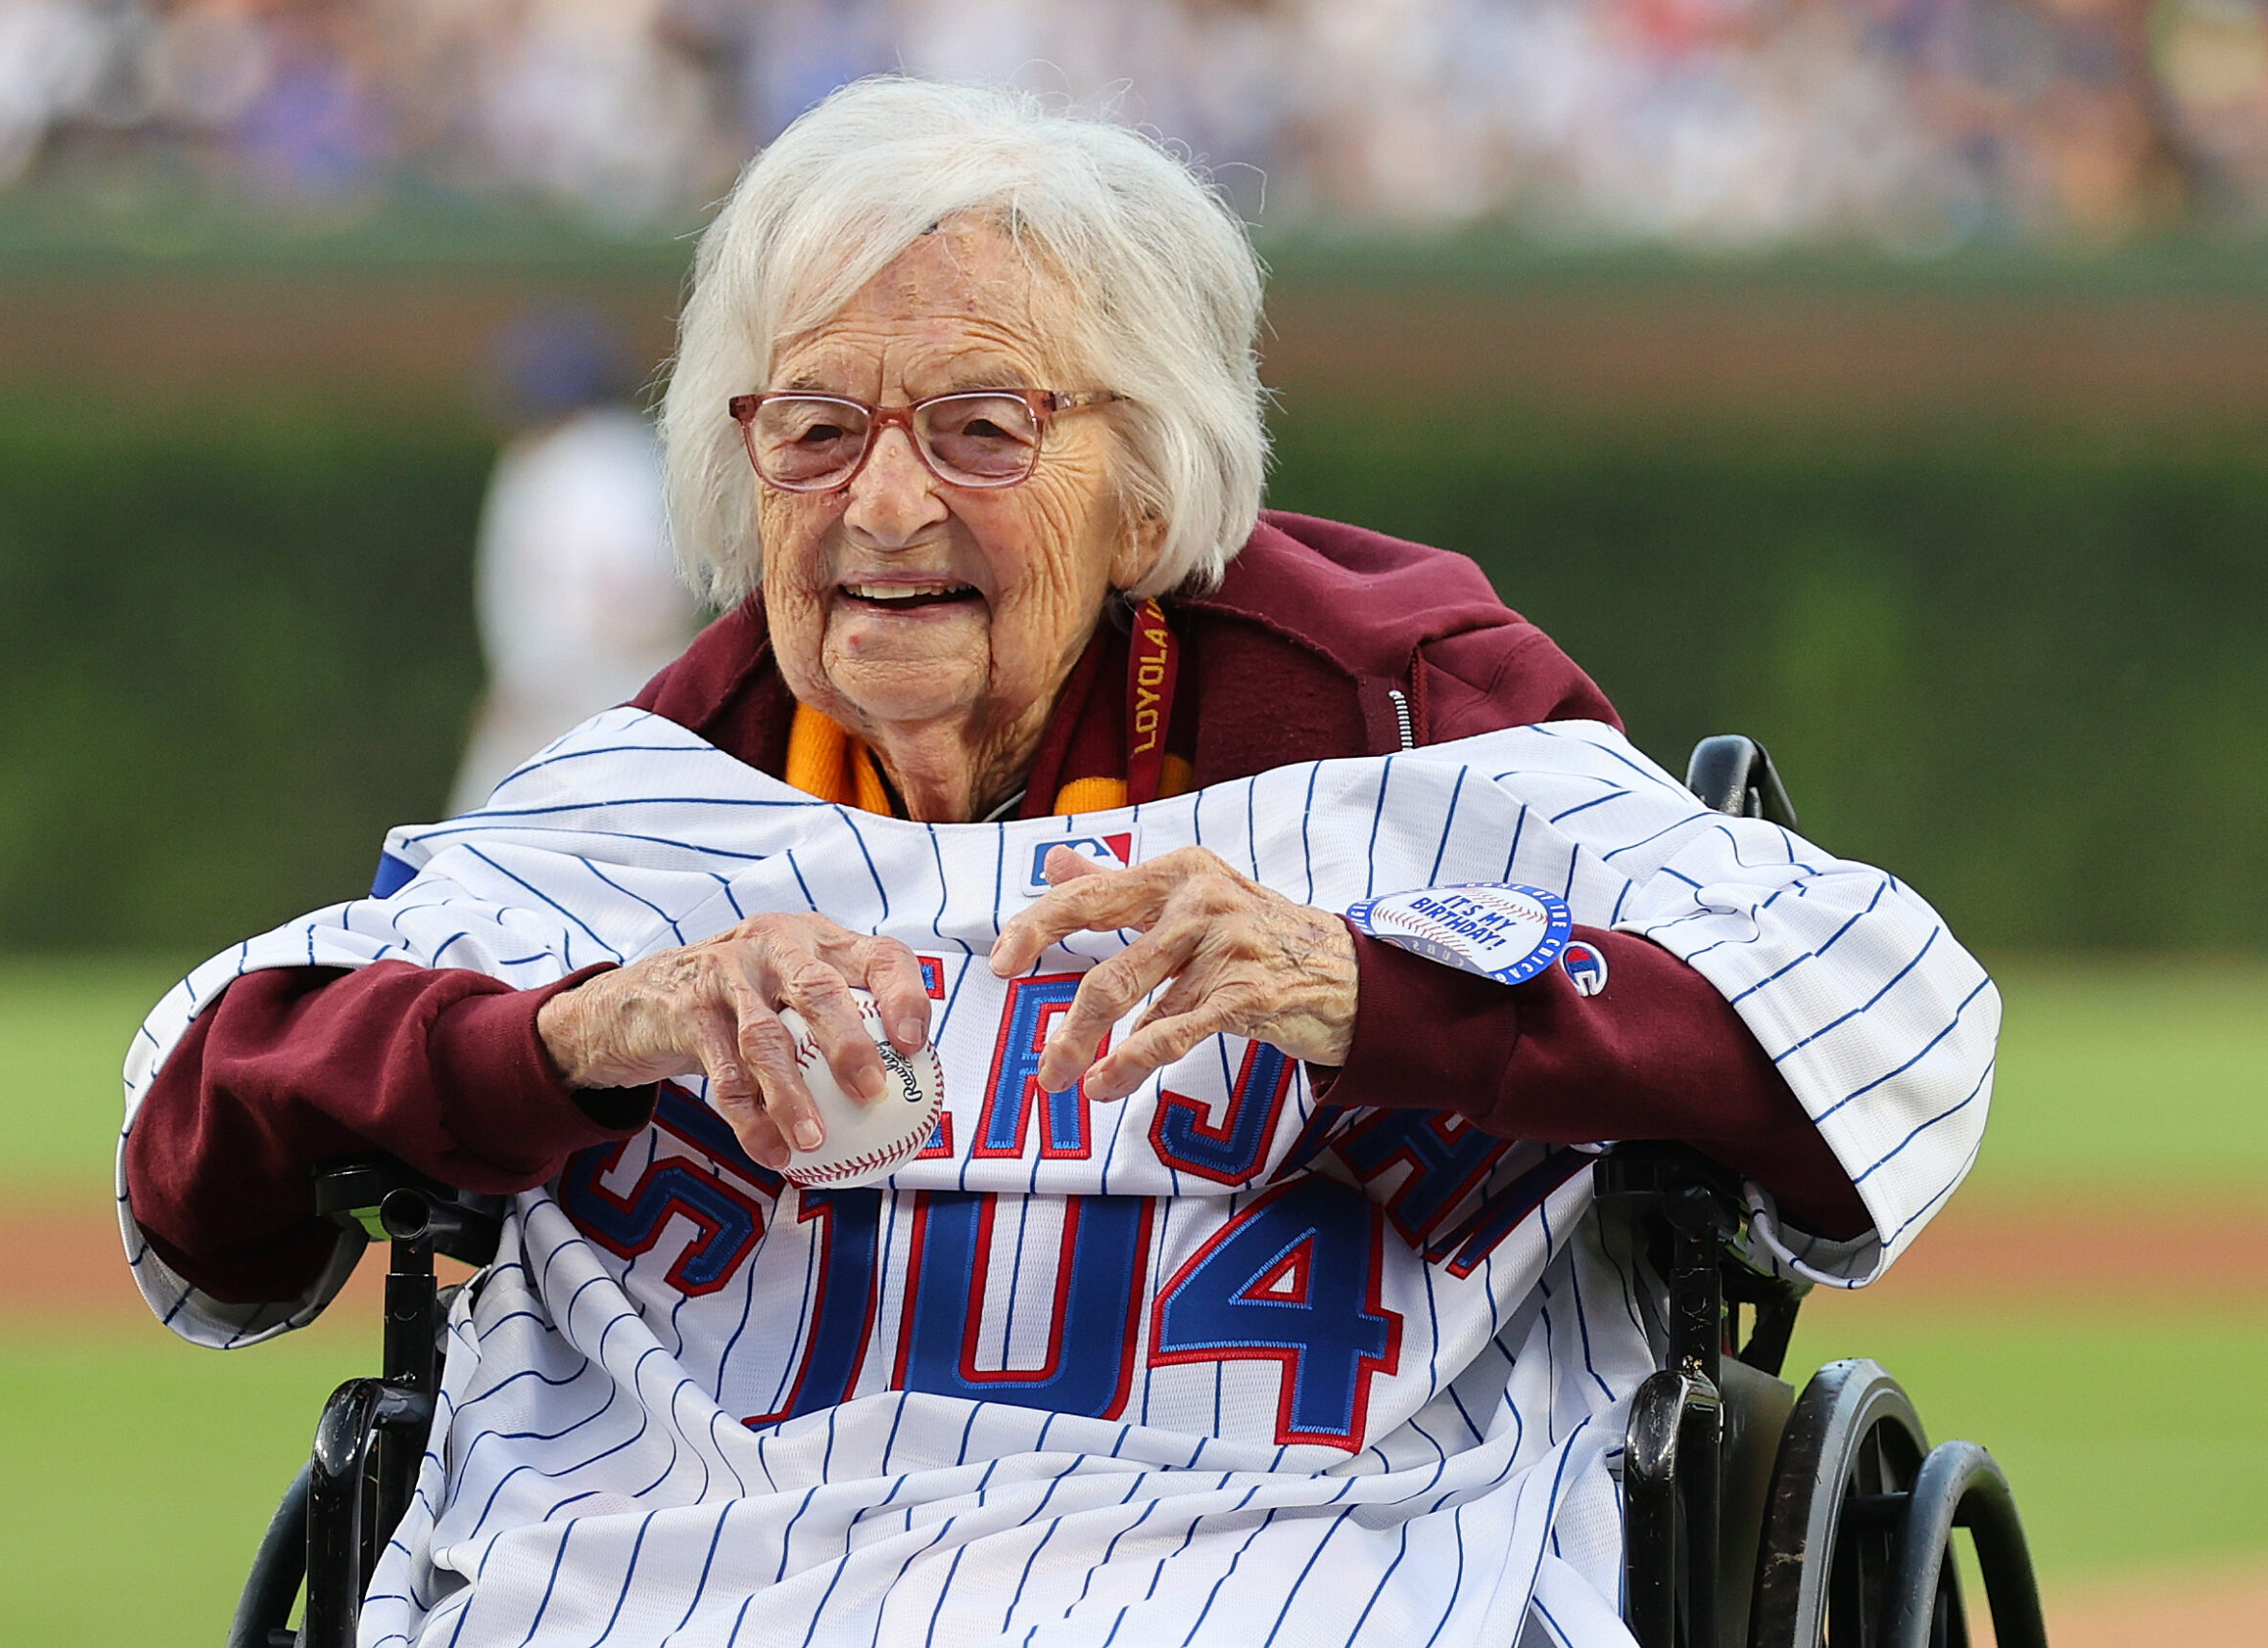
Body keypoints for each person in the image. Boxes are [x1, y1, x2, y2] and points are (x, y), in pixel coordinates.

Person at [118, 78, 1995, 1648]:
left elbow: (1877, 1008)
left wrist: (1383, 990)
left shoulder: (1408, 717)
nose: (883, 502)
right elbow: (206, 1153)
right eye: (814, 426)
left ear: (1152, 471)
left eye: (980, 424)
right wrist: (565, 1037)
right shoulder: (631, 807)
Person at [449, 307, 698, 815]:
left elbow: (642, 606)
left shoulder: (593, 461)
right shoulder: (612, 456)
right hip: (587, 700)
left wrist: (548, 692)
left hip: (587, 703)